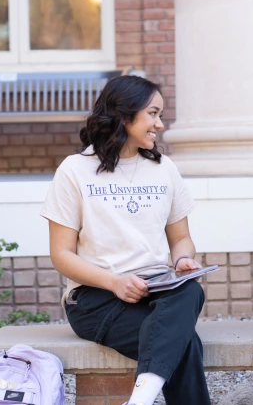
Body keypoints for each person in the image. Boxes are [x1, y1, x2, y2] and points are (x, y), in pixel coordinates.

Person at [40, 75, 211, 405]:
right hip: (97, 297)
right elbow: (61, 254)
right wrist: (115, 282)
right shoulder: (75, 170)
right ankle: (143, 399)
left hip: (158, 291)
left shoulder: (164, 169)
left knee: (189, 287)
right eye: (153, 114)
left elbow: (182, 239)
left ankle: (140, 400)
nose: (160, 125)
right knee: (184, 342)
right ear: (123, 114)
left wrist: (181, 261)